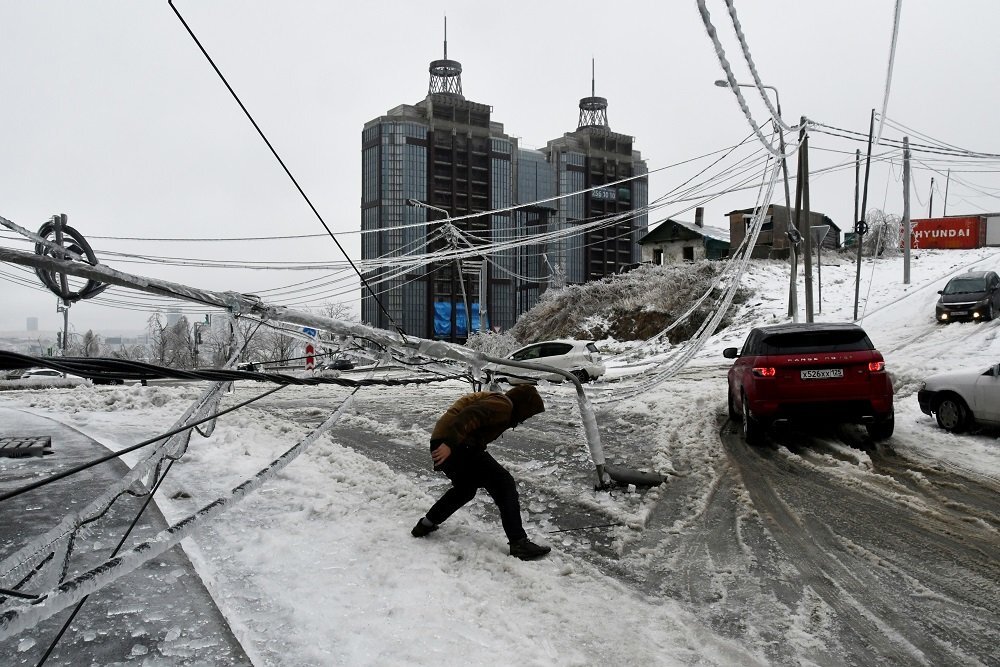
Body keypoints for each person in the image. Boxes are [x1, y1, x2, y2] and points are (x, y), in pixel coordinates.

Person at [411, 384, 552, 561]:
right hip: (455, 444)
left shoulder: (500, 403)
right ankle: (519, 543)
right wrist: (450, 444)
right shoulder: (504, 405)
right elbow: (469, 414)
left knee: (465, 489)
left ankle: (425, 524)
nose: (524, 419)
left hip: (449, 442)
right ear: (523, 405)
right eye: (528, 414)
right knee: (504, 483)